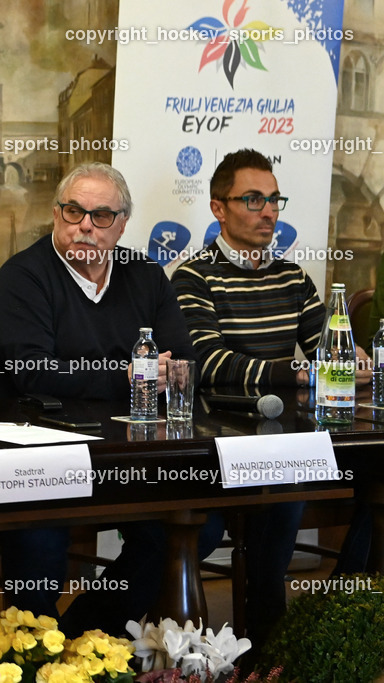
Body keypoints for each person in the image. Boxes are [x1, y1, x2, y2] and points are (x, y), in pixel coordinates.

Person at [0, 162, 204, 634]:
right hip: (31, 450)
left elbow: (179, 358)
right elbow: (36, 374)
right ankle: (33, 653)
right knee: (40, 543)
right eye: (73, 211)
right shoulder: (23, 277)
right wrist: (131, 376)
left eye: (99, 216)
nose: (84, 227)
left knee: (189, 528)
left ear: (121, 224)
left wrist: (130, 378)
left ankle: (85, 641)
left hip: (123, 449)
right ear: (56, 214)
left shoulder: (145, 275)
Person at [170, 148, 370, 648]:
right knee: (286, 489)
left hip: (287, 436)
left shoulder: (292, 276)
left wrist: (353, 356)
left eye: (274, 199)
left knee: (375, 476)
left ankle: (340, 617)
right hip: (220, 440)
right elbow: (208, 363)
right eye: (253, 199)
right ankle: (268, 637)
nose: (269, 211)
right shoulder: (193, 277)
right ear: (218, 208)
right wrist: (298, 372)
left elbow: (330, 347)